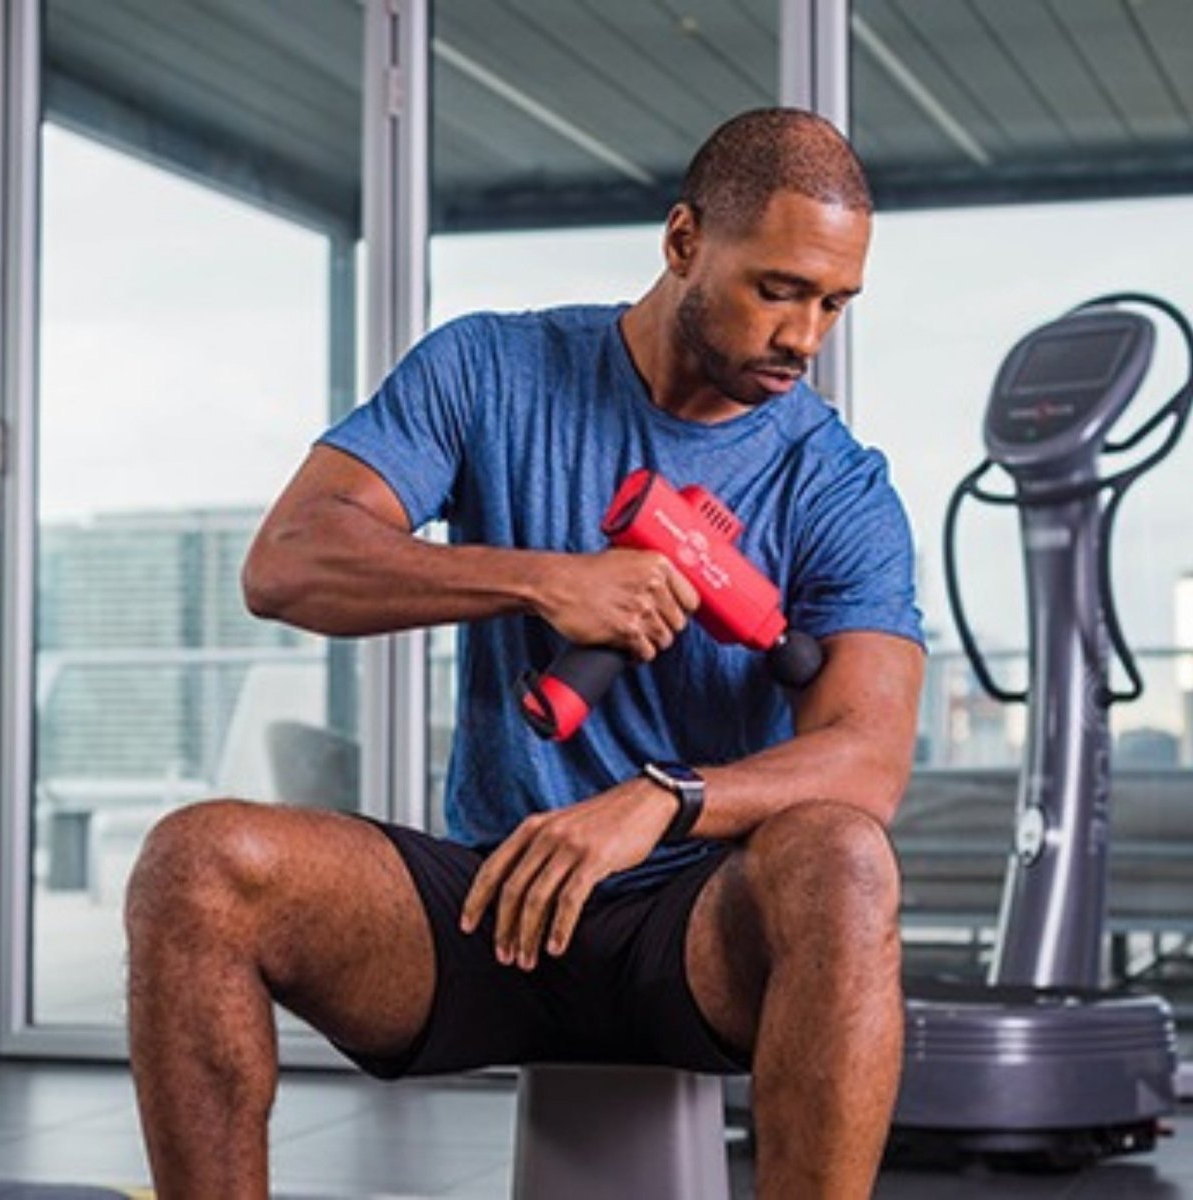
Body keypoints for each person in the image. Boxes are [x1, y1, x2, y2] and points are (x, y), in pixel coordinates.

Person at [126, 107, 925, 1199]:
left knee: (844, 858)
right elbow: (287, 563)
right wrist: (549, 580)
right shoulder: (491, 369)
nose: (805, 337)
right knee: (195, 864)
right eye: (779, 290)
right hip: (489, 904)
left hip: (694, 924)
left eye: (834, 303)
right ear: (684, 241)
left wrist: (661, 799)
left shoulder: (835, 484)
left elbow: (868, 757)